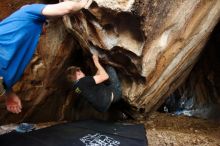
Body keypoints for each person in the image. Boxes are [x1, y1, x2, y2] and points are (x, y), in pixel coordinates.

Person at [0, 0, 93, 114]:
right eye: (47, 24)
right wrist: (83, 2)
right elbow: (67, 8)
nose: (45, 31)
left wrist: (9, 93)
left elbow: (4, 74)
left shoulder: (27, 33)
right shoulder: (28, 11)